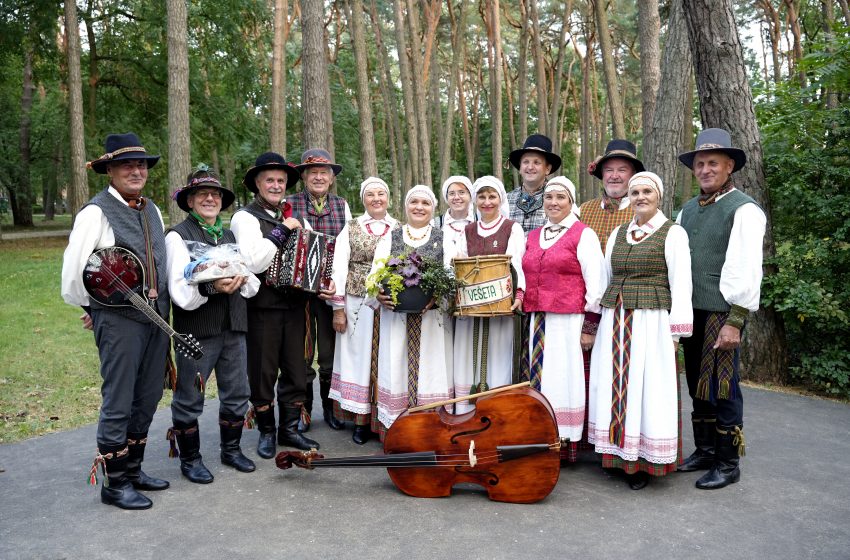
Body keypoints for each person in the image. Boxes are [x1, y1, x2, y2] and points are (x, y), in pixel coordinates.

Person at [61, 132, 170, 510]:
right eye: (127, 165)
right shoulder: (95, 212)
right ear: (110, 171)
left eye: (141, 164)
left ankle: (134, 468)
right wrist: (95, 310)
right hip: (120, 319)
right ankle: (115, 482)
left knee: (148, 395)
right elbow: (75, 271)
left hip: (157, 318)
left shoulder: (151, 209)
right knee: (120, 398)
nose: (136, 170)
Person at [587, 172, 693, 490]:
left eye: (647, 191)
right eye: (635, 192)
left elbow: (681, 283)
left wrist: (676, 333)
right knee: (615, 385)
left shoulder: (672, 233)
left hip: (651, 322)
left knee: (646, 388)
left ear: (658, 196)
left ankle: (643, 461)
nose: (641, 197)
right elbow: (606, 277)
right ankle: (617, 454)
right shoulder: (620, 232)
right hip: (615, 319)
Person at [676, 128, 766, 490]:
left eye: (713, 163)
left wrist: (736, 321)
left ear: (729, 166)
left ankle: (728, 463)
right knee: (697, 383)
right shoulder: (686, 209)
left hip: (722, 313)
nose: (705, 169)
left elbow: (746, 267)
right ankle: (706, 450)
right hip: (690, 311)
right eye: (700, 163)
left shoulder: (743, 209)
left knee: (723, 387)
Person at [164, 166, 259, 483]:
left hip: (234, 325)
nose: (209, 198)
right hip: (197, 331)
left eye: (215, 194)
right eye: (202, 194)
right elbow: (180, 292)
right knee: (190, 396)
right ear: (190, 201)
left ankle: (230, 451)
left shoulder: (229, 236)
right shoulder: (178, 236)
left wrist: (242, 280)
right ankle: (190, 460)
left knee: (237, 392)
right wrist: (210, 286)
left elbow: (251, 284)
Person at [230, 152, 322, 458]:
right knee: (263, 371)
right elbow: (254, 260)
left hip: (296, 307)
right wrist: (284, 230)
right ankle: (267, 431)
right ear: (257, 183)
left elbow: (306, 259)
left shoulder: (293, 216)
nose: (276, 185)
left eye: (281, 180)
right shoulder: (245, 217)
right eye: (269, 179)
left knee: (297, 369)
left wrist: (320, 280)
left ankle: (289, 430)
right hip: (262, 307)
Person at [520, 176, 606, 461]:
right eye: (549, 197)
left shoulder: (583, 234)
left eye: (561, 197)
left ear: (571, 202)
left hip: (569, 322)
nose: (554, 202)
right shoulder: (532, 236)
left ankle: (563, 441)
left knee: (563, 380)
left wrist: (589, 327)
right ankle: (537, 435)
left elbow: (597, 284)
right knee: (539, 379)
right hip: (538, 320)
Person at [373, 185, 456, 439]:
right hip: (396, 319)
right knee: (396, 364)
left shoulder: (444, 238)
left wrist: (438, 296)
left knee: (432, 368)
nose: (419, 207)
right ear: (406, 206)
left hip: (432, 321)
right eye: (414, 202)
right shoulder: (390, 237)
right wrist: (379, 293)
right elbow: (375, 273)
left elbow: (451, 275)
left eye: (425, 203)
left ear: (433, 208)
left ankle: (430, 429)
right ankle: (398, 430)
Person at [327, 177, 399, 444]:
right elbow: (339, 267)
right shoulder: (351, 228)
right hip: (357, 302)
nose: (377, 199)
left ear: (389, 198)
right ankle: (360, 421)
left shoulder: (399, 228)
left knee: (385, 360)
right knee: (359, 360)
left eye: (382, 193)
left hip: (389, 306)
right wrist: (338, 309)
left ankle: (382, 419)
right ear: (363, 199)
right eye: (371, 195)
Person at [288, 148, 352, 433]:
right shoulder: (288, 204)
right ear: (303, 176)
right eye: (312, 172)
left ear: (331, 178)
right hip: (298, 294)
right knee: (301, 353)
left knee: (329, 353)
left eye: (323, 173)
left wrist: (338, 288)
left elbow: (348, 249)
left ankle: (330, 408)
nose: (318, 177)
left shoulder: (342, 205)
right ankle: (304, 409)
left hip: (330, 292)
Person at [453, 175, 525, 413]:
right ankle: (465, 413)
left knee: (497, 359)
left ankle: (495, 414)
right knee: (467, 361)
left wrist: (519, 294)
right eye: (481, 197)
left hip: (499, 308)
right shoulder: (468, 230)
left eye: (491, 196)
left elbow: (517, 266)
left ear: (500, 198)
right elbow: (459, 265)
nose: (487, 202)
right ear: (475, 201)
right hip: (471, 309)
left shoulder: (511, 228)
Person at [578, 139, 645, 253]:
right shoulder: (582, 211)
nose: (614, 176)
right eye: (609, 170)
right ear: (602, 174)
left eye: (622, 170)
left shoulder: (644, 213)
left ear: (633, 174)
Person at [506, 134, 562, 235]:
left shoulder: (559, 200)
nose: (530, 167)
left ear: (547, 169)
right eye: (526, 162)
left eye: (537, 163)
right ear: (520, 167)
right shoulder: (505, 200)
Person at [435, 175, 474, 250]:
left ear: (470, 196)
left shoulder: (480, 222)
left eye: (461, 192)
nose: (456, 197)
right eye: (452, 193)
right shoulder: (436, 224)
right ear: (446, 197)